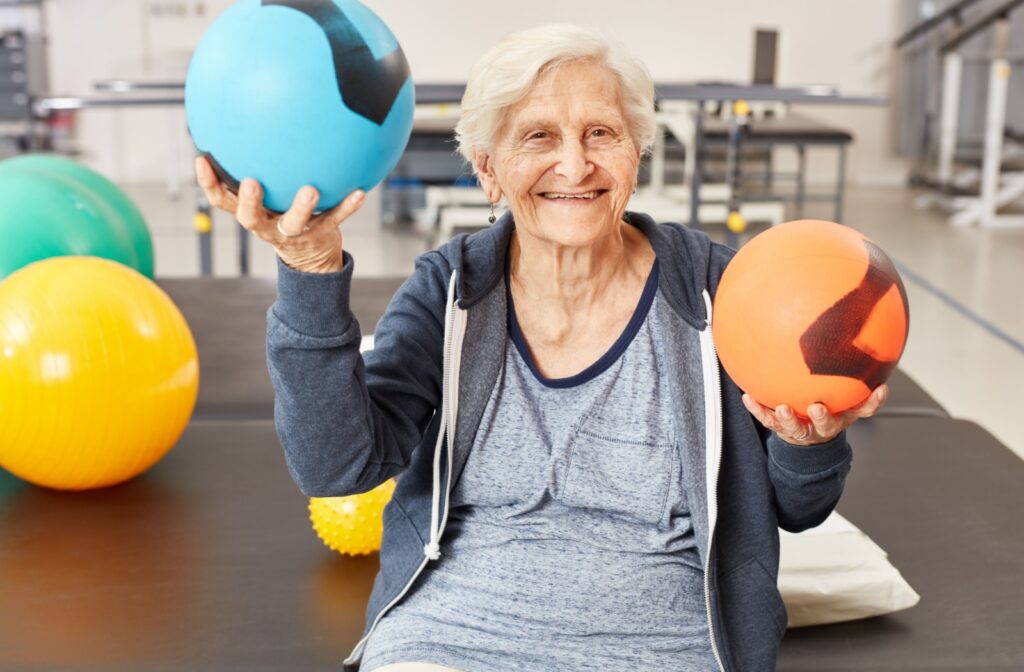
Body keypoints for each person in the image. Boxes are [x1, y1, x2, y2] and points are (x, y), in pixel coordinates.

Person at [195, 23, 887, 672]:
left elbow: (798, 509)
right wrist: (311, 274)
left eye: (600, 133)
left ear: (636, 155)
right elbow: (336, 467)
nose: (574, 163)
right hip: (453, 635)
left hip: (659, 643)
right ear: (489, 170)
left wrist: (809, 444)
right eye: (538, 137)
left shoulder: (717, 291)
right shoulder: (453, 287)